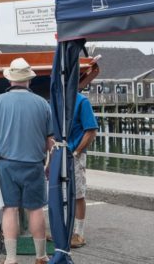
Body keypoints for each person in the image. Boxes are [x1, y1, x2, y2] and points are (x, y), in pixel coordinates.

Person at [0, 58, 54, 264]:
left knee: (9, 209)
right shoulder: (43, 104)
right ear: (29, 80)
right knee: (36, 209)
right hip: (34, 164)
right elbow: (50, 140)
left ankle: (11, 258)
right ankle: (41, 255)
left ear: (10, 79)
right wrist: (52, 165)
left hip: (6, 164)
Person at [68, 92, 98, 248]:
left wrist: (76, 152)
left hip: (74, 154)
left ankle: (79, 234)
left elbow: (91, 130)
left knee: (78, 194)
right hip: (60, 154)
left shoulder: (82, 101)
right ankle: (66, 231)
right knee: (62, 194)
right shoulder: (57, 98)